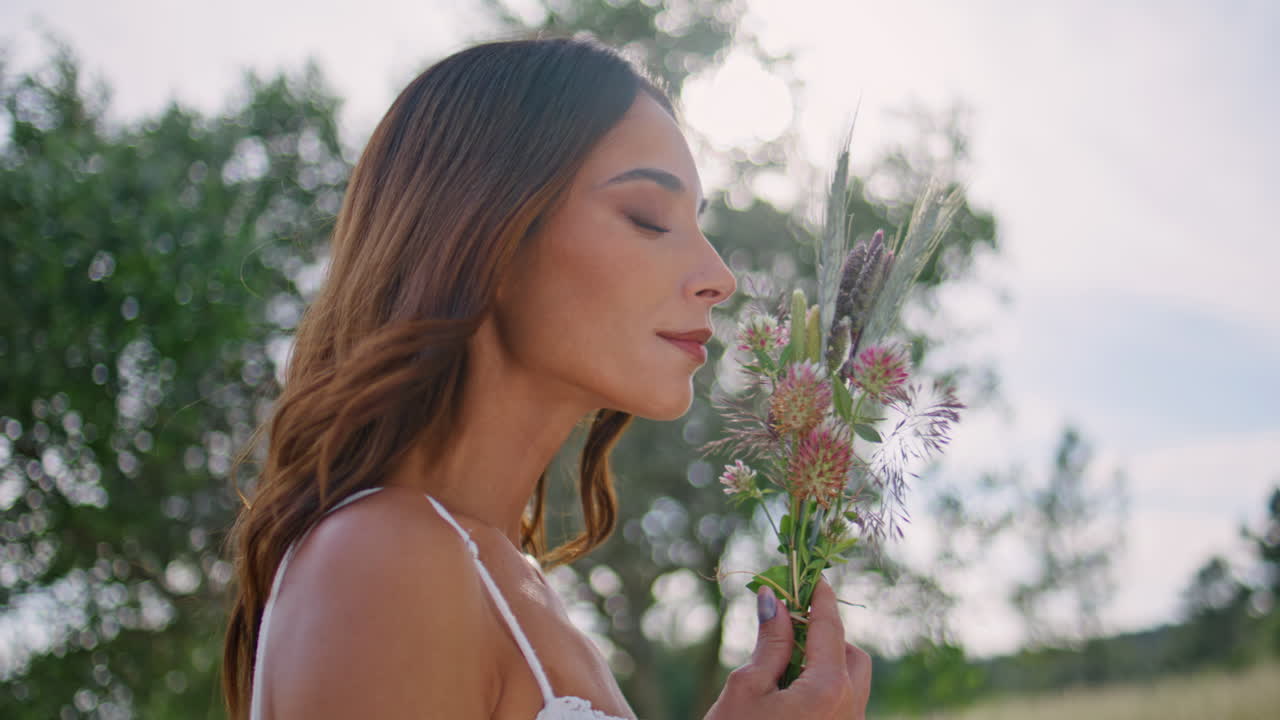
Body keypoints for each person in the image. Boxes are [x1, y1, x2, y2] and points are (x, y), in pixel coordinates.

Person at [221, 36, 872, 720]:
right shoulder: (381, 560)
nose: (719, 278)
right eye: (648, 219)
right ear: (486, 234)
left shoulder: (510, 580)